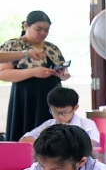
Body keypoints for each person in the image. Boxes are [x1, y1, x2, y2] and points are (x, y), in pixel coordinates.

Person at [0, 11, 71, 142]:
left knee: (53, 136)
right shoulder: (14, 46)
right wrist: (32, 72)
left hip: (52, 97)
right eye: (38, 29)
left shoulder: (52, 48)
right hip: (26, 98)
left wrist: (62, 75)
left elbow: (65, 72)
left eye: (46, 30)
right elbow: (3, 73)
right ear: (26, 26)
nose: (43, 33)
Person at [19, 86, 99, 145]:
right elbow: (24, 140)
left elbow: (88, 145)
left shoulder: (87, 124)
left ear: (75, 108)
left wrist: (48, 145)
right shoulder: (49, 124)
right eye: (55, 112)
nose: (60, 116)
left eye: (64, 112)